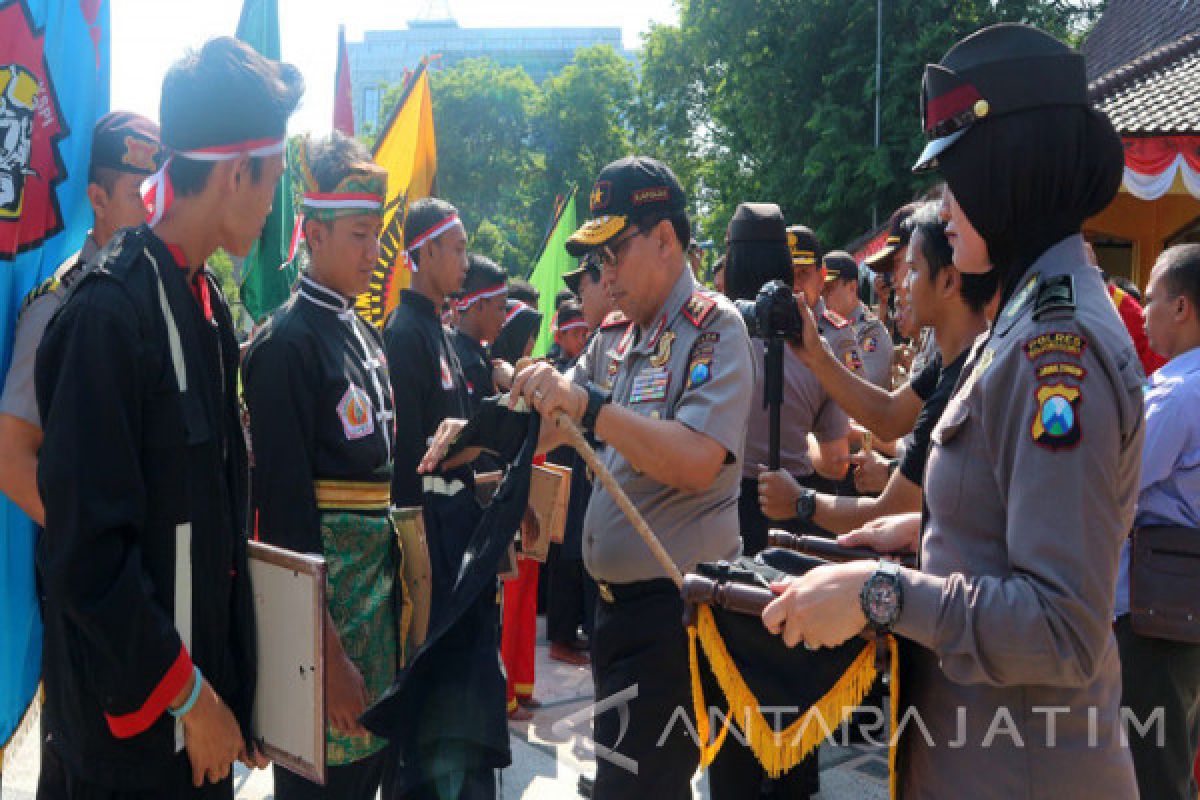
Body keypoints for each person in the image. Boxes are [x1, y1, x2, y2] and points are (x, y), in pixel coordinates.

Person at [760, 24, 1143, 797]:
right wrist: (926, 529)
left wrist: (880, 592)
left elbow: (1060, 626)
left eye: (952, 177)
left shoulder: (1055, 347)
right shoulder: (1024, 321)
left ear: (1009, 172)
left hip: (1023, 768)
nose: (942, 205)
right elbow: (1011, 518)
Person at [34, 36, 302, 798]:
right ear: (236, 170)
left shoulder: (208, 309)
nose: (275, 207)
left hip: (201, 739)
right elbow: (88, 560)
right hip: (130, 752)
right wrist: (190, 697)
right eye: (273, 181)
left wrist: (243, 694)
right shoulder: (106, 317)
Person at [501, 156, 756, 798]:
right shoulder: (616, 337)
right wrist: (481, 433)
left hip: (672, 618)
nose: (604, 276)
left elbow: (697, 459)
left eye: (614, 253)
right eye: (599, 260)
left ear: (665, 239)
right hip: (613, 615)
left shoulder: (714, 327)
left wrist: (588, 405)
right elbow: (554, 423)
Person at [242, 133, 397, 800]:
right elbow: (282, 521)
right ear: (315, 233)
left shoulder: (365, 335)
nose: (374, 253)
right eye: (361, 236)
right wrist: (326, 659)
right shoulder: (283, 347)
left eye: (378, 235)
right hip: (324, 651)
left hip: (380, 636)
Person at [759, 201, 996, 537]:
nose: (900, 284)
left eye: (911, 269)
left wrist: (800, 501)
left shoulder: (965, 377)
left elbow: (891, 509)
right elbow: (889, 415)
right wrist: (816, 356)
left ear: (947, 282)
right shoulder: (955, 359)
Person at [382, 197, 508, 799]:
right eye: (455, 249)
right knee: (437, 714)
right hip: (429, 542)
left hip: (460, 532)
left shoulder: (442, 333)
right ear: (424, 251)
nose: (463, 261)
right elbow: (407, 465)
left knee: (467, 701)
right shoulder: (403, 335)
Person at [0, 111, 162, 526]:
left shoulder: (157, 293)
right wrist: (91, 550)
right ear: (98, 199)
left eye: (156, 195)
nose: (150, 212)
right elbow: (10, 456)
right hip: (95, 579)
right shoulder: (59, 304)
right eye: (137, 195)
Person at [1114, 243, 1200, 800]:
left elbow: (1118, 477)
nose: (1142, 314)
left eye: (1152, 300)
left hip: (1156, 608)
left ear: (1183, 308)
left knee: (1153, 769)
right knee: (1171, 752)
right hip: (1176, 602)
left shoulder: (1181, 393)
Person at [490, 299, 546, 721]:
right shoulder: (498, 379)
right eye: (527, 335)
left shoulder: (532, 378)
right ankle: (505, 693)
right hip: (510, 498)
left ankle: (523, 684)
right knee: (511, 601)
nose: (532, 343)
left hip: (536, 497)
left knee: (527, 597)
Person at [543, 300, 595, 668]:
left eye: (584, 332)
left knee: (576, 552)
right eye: (574, 332)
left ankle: (568, 631)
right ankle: (559, 637)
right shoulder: (555, 375)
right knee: (562, 554)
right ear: (559, 336)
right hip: (559, 473)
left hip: (580, 473)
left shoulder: (579, 373)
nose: (581, 338)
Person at [823, 250, 893, 388]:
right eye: (821, 290)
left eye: (829, 289)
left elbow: (867, 387)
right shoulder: (824, 327)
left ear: (852, 287)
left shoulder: (871, 332)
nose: (823, 296)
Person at [452, 253, 509, 412]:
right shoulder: (471, 365)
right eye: (501, 307)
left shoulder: (454, 347)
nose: (504, 318)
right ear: (479, 305)